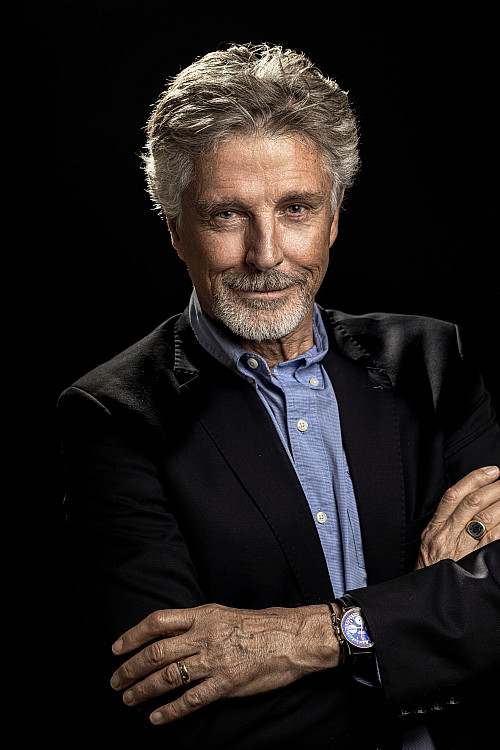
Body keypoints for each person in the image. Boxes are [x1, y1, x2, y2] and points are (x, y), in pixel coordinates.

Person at [59, 44, 500, 749]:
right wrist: (435, 645)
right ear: (175, 229)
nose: (266, 255)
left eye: (296, 208)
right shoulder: (115, 419)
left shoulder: (435, 363)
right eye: (226, 216)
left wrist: (314, 637)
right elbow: (182, 706)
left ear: (334, 217)